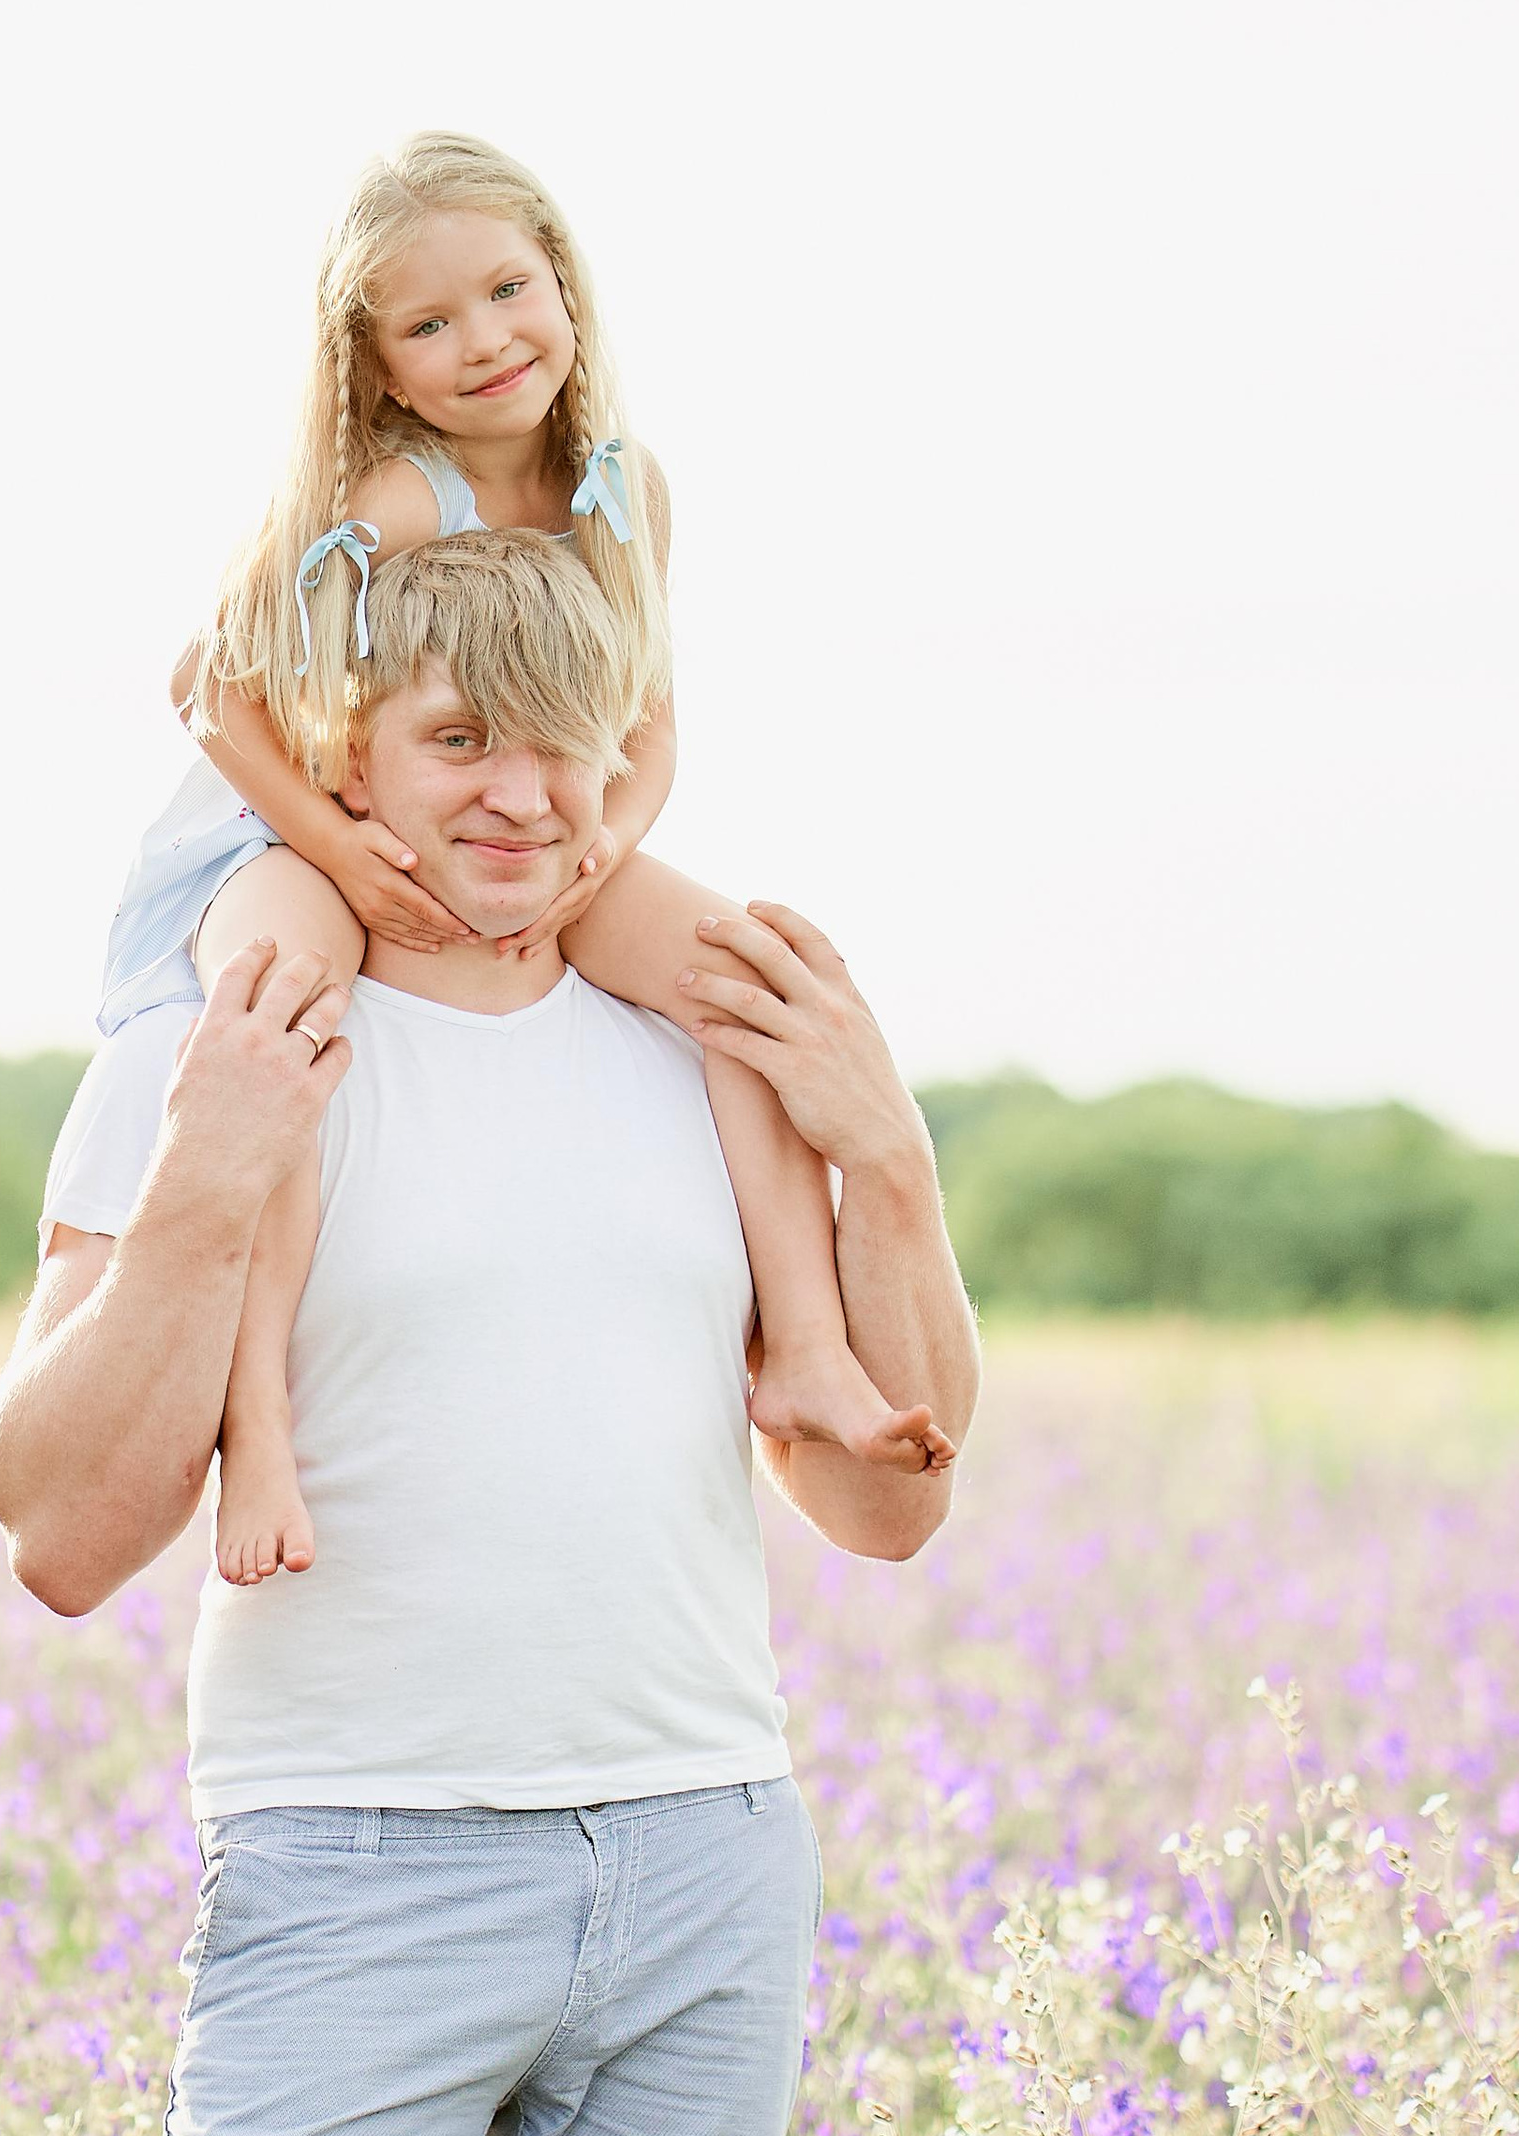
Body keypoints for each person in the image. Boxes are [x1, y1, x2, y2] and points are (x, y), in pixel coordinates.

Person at [0, 529, 979, 2136]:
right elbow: (62, 1525)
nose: (521, 793)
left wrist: (892, 1159)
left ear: (630, 754)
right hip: (354, 1855)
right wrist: (207, 1173)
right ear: (346, 762)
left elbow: (887, 1500)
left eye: (570, 741)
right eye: (452, 740)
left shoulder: (701, 1058)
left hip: (696, 1850)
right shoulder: (225, 1038)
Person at [99, 127, 931, 1591]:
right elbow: (208, 690)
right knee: (292, 1020)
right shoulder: (398, 500)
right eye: (428, 322)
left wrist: (614, 830)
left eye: (507, 289)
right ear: (378, 370)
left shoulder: (627, 488)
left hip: (534, 824)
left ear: (566, 287)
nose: (483, 340)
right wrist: (344, 863)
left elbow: (648, 721)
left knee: (733, 979)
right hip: (294, 816)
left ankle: (801, 1352)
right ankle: (262, 1427)